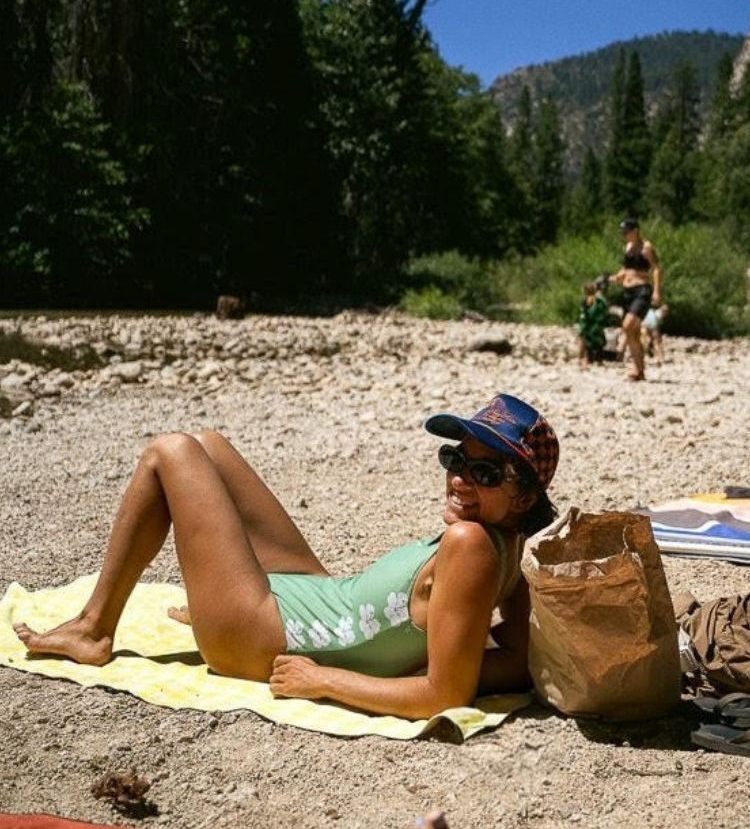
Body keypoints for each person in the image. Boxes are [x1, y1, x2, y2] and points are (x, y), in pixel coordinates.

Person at [14, 394, 559, 720]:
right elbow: (516, 660)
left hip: (261, 634)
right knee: (208, 445)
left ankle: (92, 629)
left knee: (170, 452)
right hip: (310, 593)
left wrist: (323, 680)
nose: (461, 479)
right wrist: (436, 649)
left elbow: (443, 694)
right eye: (456, 459)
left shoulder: (471, 546)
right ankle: (203, 602)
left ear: (526, 497)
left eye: (486, 473)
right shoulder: (507, 544)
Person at [609, 217, 662, 381]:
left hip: (642, 290)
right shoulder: (628, 247)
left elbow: (656, 269)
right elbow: (627, 269)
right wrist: (617, 277)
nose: (624, 235)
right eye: (623, 232)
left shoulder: (646, 247)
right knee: (632, 333)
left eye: (626, 232)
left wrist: (657, 291)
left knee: (627, 325)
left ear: (635, 231)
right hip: (627, 292)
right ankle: (639, 370)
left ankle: (638, 368)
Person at [577, 280, 609, 367]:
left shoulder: (585, 301)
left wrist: (582, 327)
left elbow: (583, 315)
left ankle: (589, 360)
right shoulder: (600, 300)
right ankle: (599, 360)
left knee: (589, 344)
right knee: (599, 343)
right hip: (598, 324)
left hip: (589, 325)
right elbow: (605, 312)